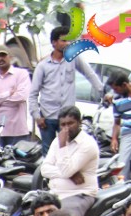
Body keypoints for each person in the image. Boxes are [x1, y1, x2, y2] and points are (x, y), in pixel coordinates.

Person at [30, 25, 105, 154]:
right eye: (64, 40)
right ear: (54, 43)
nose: (68, 44)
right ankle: (51, 175)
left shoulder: (74, 58)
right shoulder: (42, 66)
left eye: (69, 40)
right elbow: (33, 94)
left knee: (70, 151)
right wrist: (37, 116)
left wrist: (104, 92)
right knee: (49, 154)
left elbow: (90, 75)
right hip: (48, 117)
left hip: (67, 118)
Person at [39, 107, 99, 216]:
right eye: (63, 124)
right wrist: (70, 174)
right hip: (55, 194)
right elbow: (44, 169)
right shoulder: (57, 140)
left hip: (78, 194)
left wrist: (62, 146)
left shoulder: (88, 144)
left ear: (79, 123)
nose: (66, 128)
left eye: (70, 123)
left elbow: (67, 170)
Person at [0, 46, 31, 145]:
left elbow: (21, 97)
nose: (1, 58)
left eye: (3, 55)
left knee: (17, 160)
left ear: (10, 57)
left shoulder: (21, 74)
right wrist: (7, 94)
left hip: (17, 130)